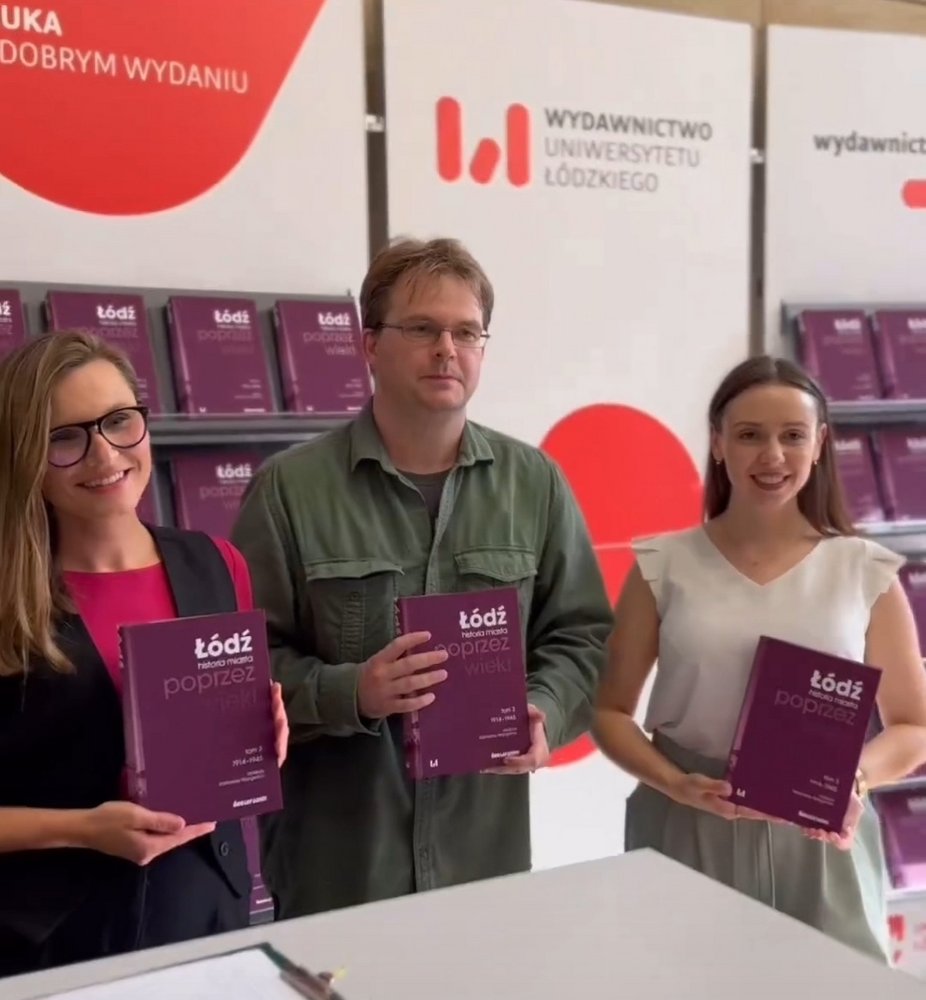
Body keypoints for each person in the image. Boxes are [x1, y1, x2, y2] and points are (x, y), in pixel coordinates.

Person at [231, 236, 612, 919]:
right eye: (422, 329)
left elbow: (584, 637)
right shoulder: (288, 490)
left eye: (466, 331)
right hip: (340, 873)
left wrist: (546, 712)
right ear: (369, 344)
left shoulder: (536, 485)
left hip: (485, 868)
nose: (447, 349)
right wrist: (354, 692)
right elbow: (242, 672)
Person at [593, 354, 926, 962]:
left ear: (820, 444)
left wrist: (855, 778)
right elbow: (610, 713)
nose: (772, 456)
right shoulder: (661, 565)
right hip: (685, 821)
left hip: (820, 834)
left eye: (792, 436)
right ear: (718, 444)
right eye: (749, 435)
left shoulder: (866, 572)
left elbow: (913, 726)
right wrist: (676, 784)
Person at [0, 331, 289, 978]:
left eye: (119, 422)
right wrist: (83, 829)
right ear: (26, 457)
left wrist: (265, 731)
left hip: (208, 910)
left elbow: (230, 739)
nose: (104, 454)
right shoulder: (7, 598)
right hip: (51, 939)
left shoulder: (218, 564)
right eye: (65, 437)